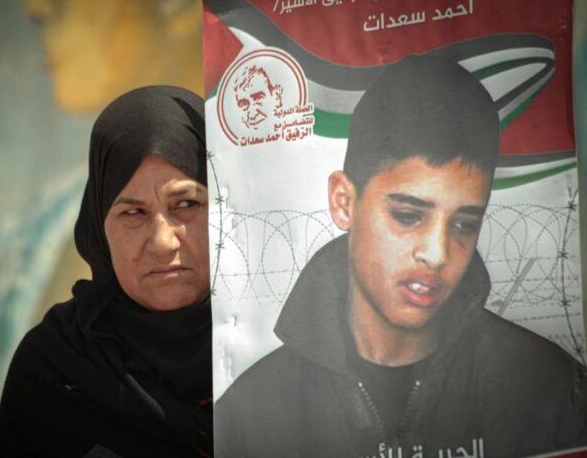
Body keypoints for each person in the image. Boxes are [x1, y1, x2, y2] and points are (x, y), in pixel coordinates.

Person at [215, 55, 587, 457]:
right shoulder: (251, 417)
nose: (436, 253)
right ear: (344, 202)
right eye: (408, 215)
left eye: (464, 224)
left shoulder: (548, 389)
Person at [0, 86, 213, 457]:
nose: (162, 242)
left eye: (186, 204)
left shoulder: (281, 353)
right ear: (98, 229)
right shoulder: (54, 367)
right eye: (133, 212)